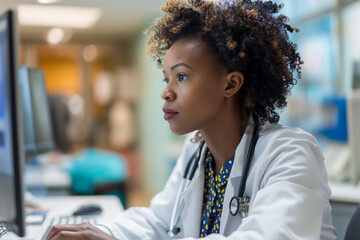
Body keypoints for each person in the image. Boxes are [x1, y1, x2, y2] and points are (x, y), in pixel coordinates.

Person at [46, 0, 337, 239]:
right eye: (167, 78)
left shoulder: (291, 153)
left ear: (230, 84)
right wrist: (101, 232)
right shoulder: (197, 151)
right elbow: (159, 221)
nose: (165, 92)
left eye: (182, 77)